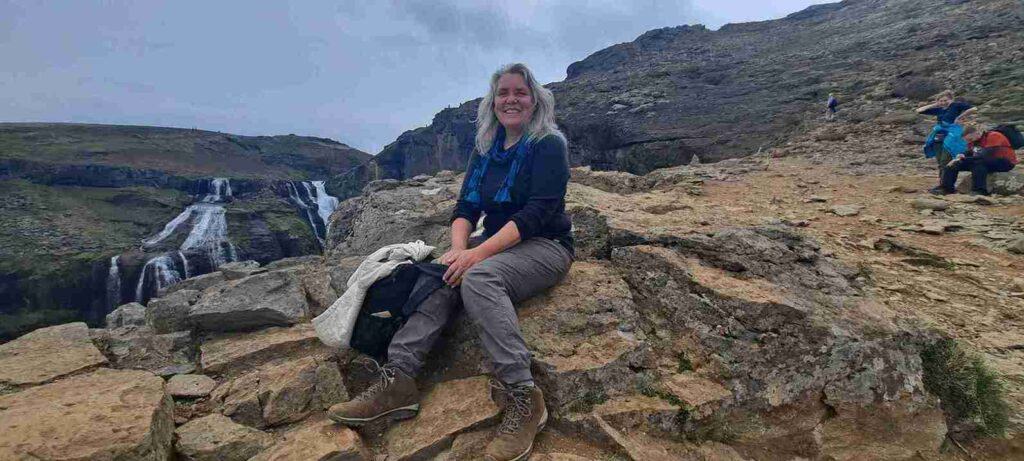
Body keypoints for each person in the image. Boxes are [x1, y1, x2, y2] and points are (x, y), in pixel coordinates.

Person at [328, 62, 573, 461]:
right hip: (494, 240)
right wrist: (458, 250)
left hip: (544, 245)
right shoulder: (486, 149)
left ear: (536, 100)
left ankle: (524, 397)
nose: (511, 99)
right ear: (493, 103)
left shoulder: (548, 145)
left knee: (477, 279)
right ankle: (400, 381)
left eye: (520, 92)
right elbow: (465, 207)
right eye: (504, 93)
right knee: (440, 276)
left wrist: (475, 255)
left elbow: (537, 214)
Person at [917, 90, 976, 194]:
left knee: (946, 159)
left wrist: (960, 117)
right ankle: (942, 184)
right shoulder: (939, 109)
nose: (943, 102)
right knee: (940, 161)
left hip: (952, 135)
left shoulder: (956, 105)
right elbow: (919, 110)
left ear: (951, 99)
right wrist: (935, 104)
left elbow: (973, 108)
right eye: (941, 100)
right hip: (939, 135)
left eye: (945, 100)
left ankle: (948, 186)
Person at [938, 124, 1018, 195]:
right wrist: (960, 157)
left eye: (970, 139)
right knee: (954, 164)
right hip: (985, 160)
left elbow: (985, 155)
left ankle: (980, 190)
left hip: (1005, 162)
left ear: (977, 133)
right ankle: (946, 188)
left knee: (978, 163)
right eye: (967, 140)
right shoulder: (974, 141)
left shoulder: (994, 136)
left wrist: (964, 159)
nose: (969, 142)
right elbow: (969, 152)